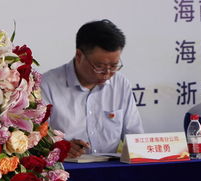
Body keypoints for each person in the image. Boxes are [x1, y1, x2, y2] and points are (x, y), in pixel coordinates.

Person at [40, 19, 143, 158]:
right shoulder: (47, 85)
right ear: (79, 56)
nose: (107, 73)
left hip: (111, 168)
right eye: (99, 66)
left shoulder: (120, 83)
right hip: (65, 168)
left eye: (114, 66)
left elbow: (136, 138)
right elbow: (36, 140)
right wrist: (59, 147)